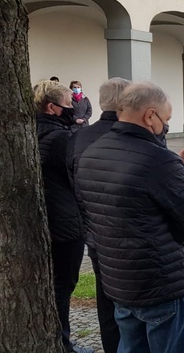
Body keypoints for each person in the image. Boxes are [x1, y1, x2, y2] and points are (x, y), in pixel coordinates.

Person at [76, 82, 184, 353]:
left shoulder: (92, 153)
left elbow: (130, 199)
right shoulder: (157, 160)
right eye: (166, 120)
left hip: (120, 283)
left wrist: (176, 168)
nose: (165, 127)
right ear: (150, 116)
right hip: (163, 285)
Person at [67, 77, 131, 353]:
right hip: (129, 235)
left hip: (94, 233)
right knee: (133, 303)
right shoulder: (130, 135)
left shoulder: (78, 137)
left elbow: (72, 182)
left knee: (106, 298)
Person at [34, 80, 93, 353]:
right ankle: (62, 343)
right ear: (52, 107)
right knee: (63, 284)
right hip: (66, 222)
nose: (74, 108)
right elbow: (80, 178)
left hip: (46, 218)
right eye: (70, 104)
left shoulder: (32, 131)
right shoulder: (61, 138)